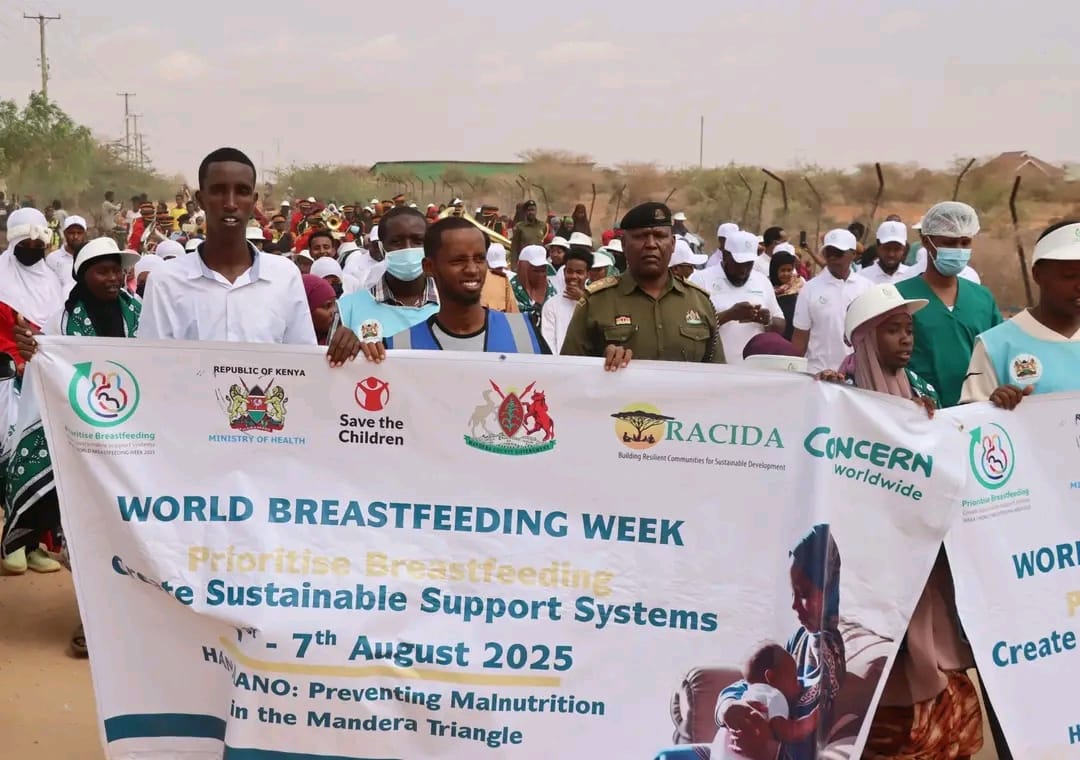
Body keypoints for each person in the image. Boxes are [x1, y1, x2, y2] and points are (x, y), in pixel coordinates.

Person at [3, 237, 142, 657]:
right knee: (89, 534)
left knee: (134, 532)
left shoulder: (141, 313)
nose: (113, 278)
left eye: (117, 270)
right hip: (83, 448)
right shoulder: (62, 323)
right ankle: (93, 618)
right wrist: (34, 351)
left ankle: (133, 619)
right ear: (82, 276)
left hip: (139, 447)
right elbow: (45, 369)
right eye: (103, 271)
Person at [136, 147, 359, 365]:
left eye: (242, 191)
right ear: (201, 199)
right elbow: (152, 368)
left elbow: (302, 363)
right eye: (218, 191)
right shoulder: (165, 281)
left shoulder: (285, 276)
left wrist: (348, 352)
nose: (230, 203)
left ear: (253, 201)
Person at [560, 202, 724, 369]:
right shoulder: (595, 302)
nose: (651, 244)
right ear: (623, 244)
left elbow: (719, 375)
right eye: (641, 236)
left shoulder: (700, 303)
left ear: (673, 243)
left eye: (660, 236)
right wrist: (602, 363)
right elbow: (569, 372)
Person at [358, 217, 547, 358]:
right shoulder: (398, 346)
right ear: (429, 267)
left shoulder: (525, 333)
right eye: (458, 261)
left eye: (480, 259)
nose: (472, 269)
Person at [961, 220, 1080, 409]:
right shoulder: (995, 346)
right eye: (1069, 276)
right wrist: (994, 406)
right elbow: (970, 420)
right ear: (1038, 275)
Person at [896, 201, 1001, 408]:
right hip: (919, 411)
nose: (959, 250)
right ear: (926, 242)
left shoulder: (982, 298)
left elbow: (998, 356)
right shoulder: (899, 297)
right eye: (949, 243)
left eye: (965, 243)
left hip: (976, 412)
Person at [337, 206, 439, 344]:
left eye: (418, 241)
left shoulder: (451, 304)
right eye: (396, 242)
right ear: (381, 247)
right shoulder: (349, 309)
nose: (407, 248)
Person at [690, 230, 784, 364]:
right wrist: (729, 315)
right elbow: (691, 326)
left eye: (749, 263)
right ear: (725, 255)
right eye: (738, 263)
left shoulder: (762, 281)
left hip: (754, 369)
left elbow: (781, 325)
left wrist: (767, 320)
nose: (743, 270)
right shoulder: (701, 280)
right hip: (714, 368)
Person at [790, 229, 872, 374]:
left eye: (838, 253)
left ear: (853, 254)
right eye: (828, 253)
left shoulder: (867, 288)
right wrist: (793, 374)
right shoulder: (809, 289)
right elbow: (800, 338)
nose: (832, 258)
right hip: (817, 374)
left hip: (856, 375)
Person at [541, 247, 591, 354]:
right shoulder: (551, 305)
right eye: (570, 271)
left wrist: (584, 300)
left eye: (579, 272)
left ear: (588, 274)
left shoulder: (595, 301)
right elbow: (548, 342)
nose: (573, 276)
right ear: (564, 272)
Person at [512, 245, 556, 329]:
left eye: (543, 270)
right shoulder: (511, 291)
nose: (540, 275)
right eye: (536, 270)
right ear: (523, 269)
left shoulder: (551, 291)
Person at [769, 245, 804, 341]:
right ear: (774, 270)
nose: (786, 274)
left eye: (789, 270)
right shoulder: (767, 287)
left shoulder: (799, 285)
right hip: (775, 337)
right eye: (782, 270)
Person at [45, 215, 87, 293]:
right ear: (64, 233)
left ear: (85, 234)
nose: (75, 236)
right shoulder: (52, 259)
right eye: (71, 233)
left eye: (79, 233)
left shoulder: (90, 256)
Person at [859, 221, 911, 285]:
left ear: (904, 249)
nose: (891, 254)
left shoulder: (912, 276)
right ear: (878, 247)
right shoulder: (862, 278)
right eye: (886, 248)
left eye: (897, 249)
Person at [480, 243, 518, 313]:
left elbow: (514, 315)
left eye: (500, 267)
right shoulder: (504, 280)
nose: (498, 270)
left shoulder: (504, 281)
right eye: (496, 267)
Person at [302, 274, 338, 345]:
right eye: (328, 306)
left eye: (335, 305)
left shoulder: (340, 343)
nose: (334, 312)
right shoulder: (284, 344)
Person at [510, 199, 547, 265]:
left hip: (539, 262)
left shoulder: (542, 226)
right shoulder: (519, 227)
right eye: (528, 210)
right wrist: (514, 266)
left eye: (533, 210)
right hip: (525, 262)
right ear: (525, 212)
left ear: (536, 211)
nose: (531, 212)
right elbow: (514, 248)